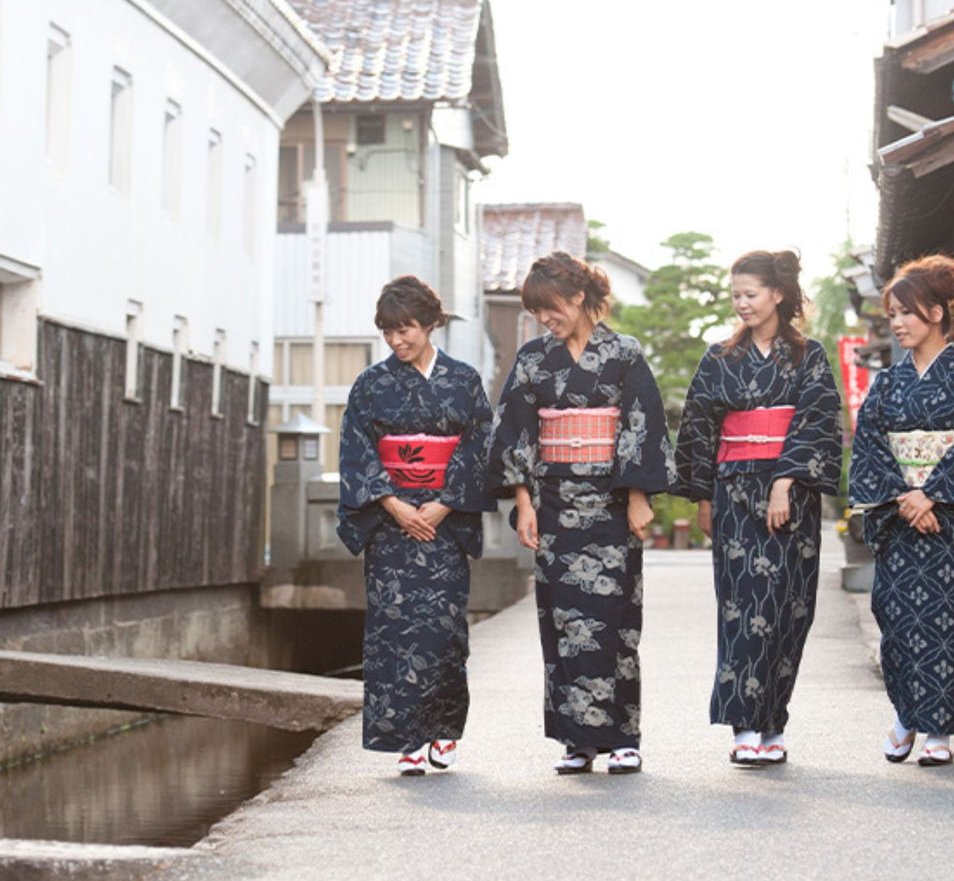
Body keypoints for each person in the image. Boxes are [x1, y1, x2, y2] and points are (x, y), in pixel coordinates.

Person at [485, 251, 674, 775]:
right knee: (562, 621)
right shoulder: (532, 360)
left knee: (616, 622)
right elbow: (516, 432)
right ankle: (577, 740)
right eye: (537, 311)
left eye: (552, 307)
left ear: (579, 296)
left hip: (612, 505)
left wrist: (639, 494)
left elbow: (642, 423)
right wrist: (524, 504)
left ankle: (623, 736)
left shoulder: (624, 354)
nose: (546, 319)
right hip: (553, 505)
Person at [674, 250, 841, 767]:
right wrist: (703, 495)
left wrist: (785, 481)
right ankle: (744, 724)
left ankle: (773, 721)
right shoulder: (719, 358)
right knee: (744, 606)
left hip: (793, 496)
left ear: (777, 295)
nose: (742, 305)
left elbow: (818, 420)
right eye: (736, 297)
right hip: (735, 494)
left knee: (791, 607)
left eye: (750, 295)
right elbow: (698, 426)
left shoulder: (808, 355)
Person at [848, 255, 954, 768]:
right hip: (901, 521)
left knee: (947, 624)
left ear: (937, 312)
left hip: (949, 523)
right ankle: (904, 714)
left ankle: (938, 730)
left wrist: (934, 494)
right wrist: (904, 497)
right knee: (895, 619)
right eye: (892, 312)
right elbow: (869, 443)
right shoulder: (889, 383)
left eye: (907, 313)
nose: (897, 323)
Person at [337, 276, 496, 776]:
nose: (396, 340)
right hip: (391, 527)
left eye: (405, 328)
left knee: (443, 630)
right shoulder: (371, 385)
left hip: (444, 527)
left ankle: (443, 730)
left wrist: (446, 503)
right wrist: (391, 503)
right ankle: (408, 738)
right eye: (387, 331)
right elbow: (355, 448)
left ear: (430, 323)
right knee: (392, 630)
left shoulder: (464, 381)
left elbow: (480, 445)